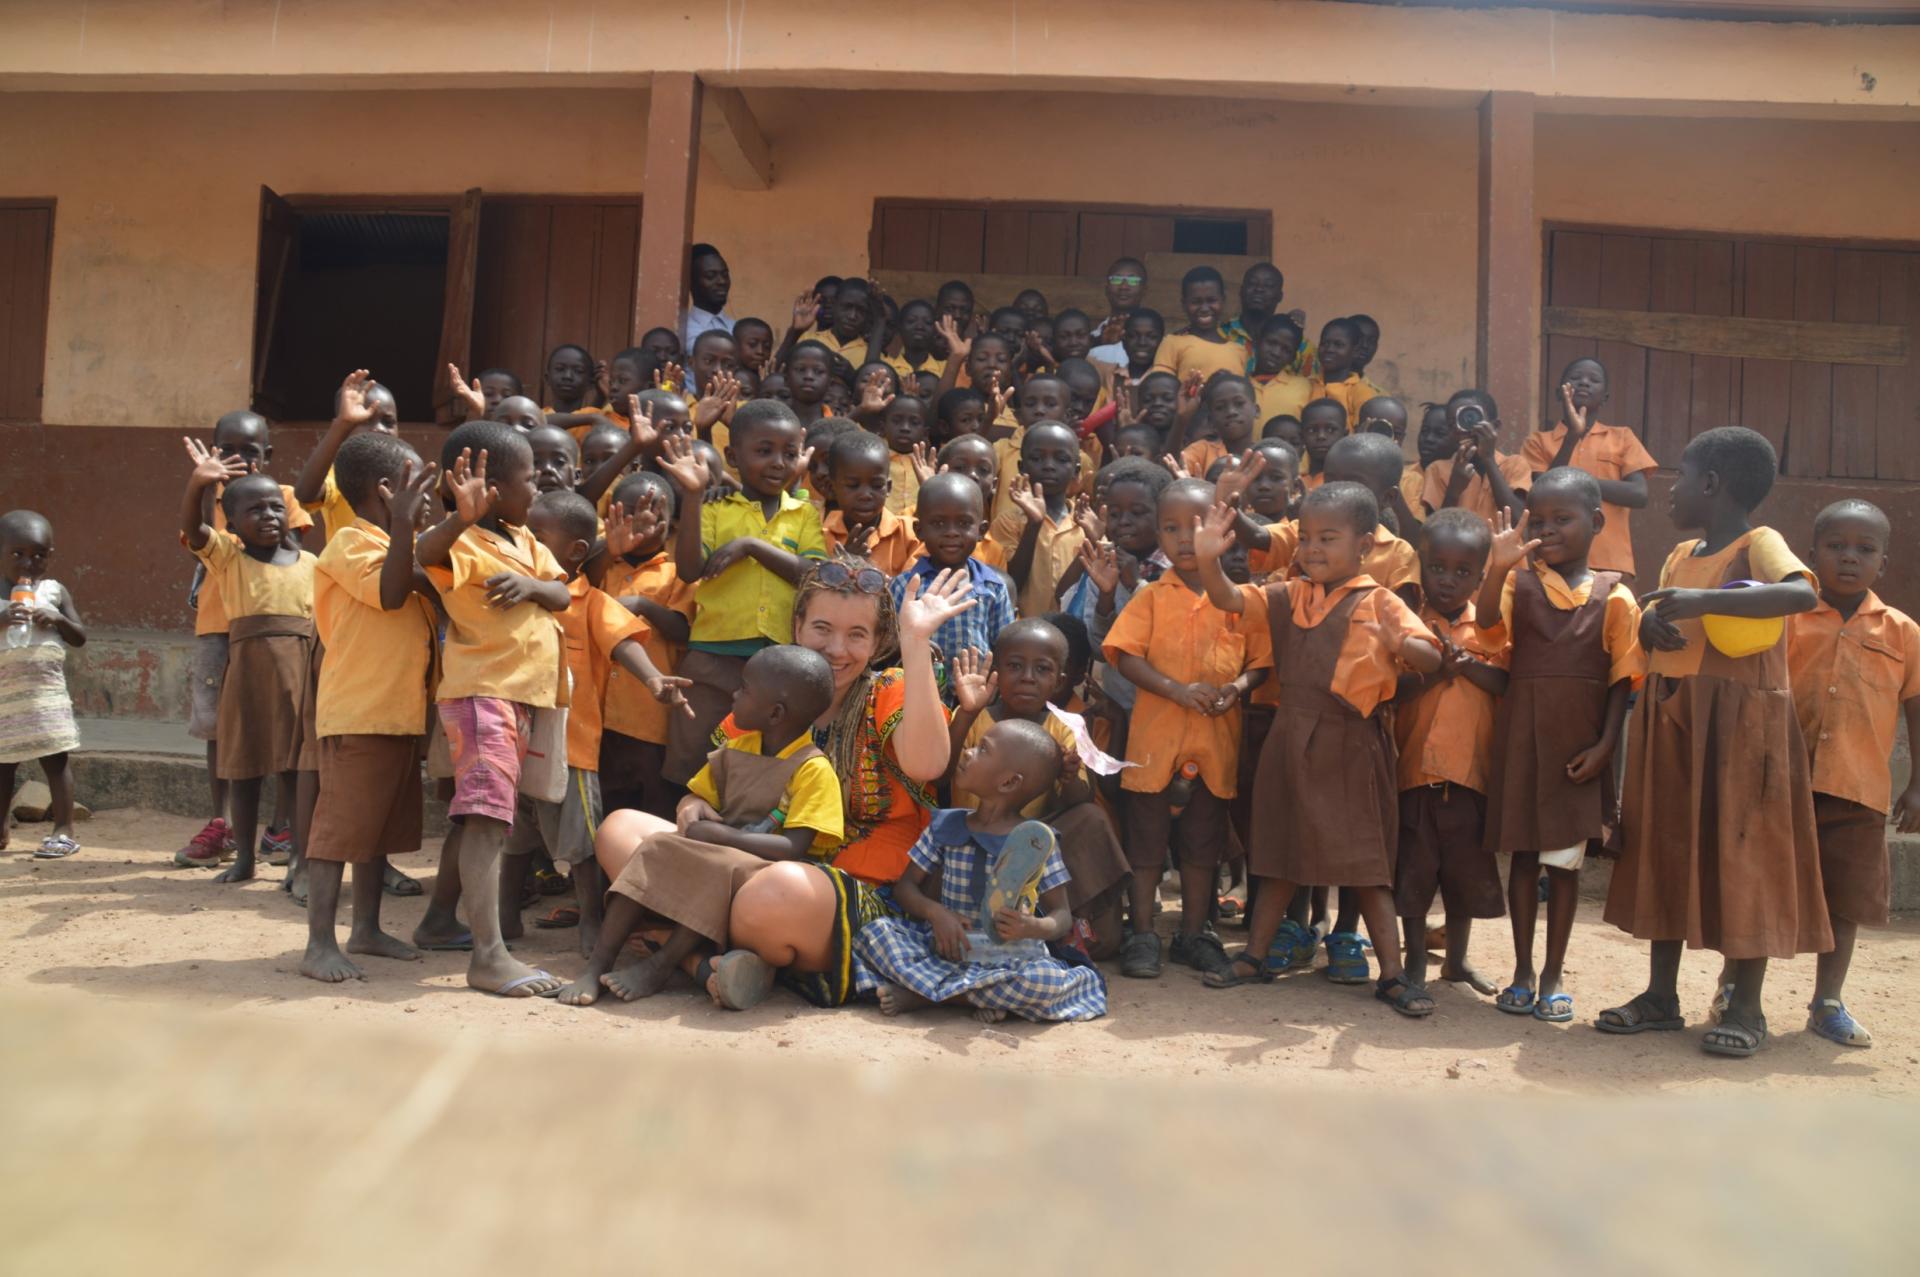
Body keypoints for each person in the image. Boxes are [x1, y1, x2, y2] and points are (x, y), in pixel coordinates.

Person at [593, 561, 971, 1008]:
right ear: (796, 625)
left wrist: (916, 641)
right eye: (822, 628)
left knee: (774, 895)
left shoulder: (888, 688)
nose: (837, 649)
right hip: (744, 863)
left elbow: (927, 764)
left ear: (877, 642)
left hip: (840, 892)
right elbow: (716, 780)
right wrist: (691, 804)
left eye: (857, 635)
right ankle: (716, 959)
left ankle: (684, 951)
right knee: (620, 830)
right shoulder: (772, 693)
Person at [1601, 427, 1824, 1057]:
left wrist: (1701, 600)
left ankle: (1746, 1007)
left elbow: (1802, 592)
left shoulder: (1759, 543)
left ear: (1712, 484)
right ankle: (1660, 996)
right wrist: (1649, 619)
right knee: (1667, 849)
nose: (1668, 491)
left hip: (1740, 726)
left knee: (1744, 855)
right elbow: (1662, 612)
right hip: (1675, 721)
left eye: (1680, 477)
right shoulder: (1678, 554)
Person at [1193, 483, 1442, 1015]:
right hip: (1291, 735)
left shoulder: (1381, 600)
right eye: (1304, 537)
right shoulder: (1290, 594)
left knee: (1367, 864)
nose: (1311, 549)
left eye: (1328, 537)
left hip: (1352, 742)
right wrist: (1210, 561)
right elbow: (1229, 598)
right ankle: (1255, 957)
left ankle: (1393, 976)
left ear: (1367, 543)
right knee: (1279, 855)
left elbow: (1430, 657)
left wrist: (1403, 645)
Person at [560, 644, 842, 1008]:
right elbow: (697, 797)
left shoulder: (813, 769)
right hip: (722, 852)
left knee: (715, 867)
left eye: (744, 689)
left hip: (765, 873)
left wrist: (724, 836)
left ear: (776, 713)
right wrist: (692, 808)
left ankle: (661, 965)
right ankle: (599, 962)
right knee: (656, 848)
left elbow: (795, 848)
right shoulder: (736, 749)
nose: (735, 695)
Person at [1476, 470, 1643, 1022]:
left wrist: (1605, 748)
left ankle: (1553, 977)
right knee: (1523, 858)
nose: (1547, 531)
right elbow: (1484, 628)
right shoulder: (1516, 583)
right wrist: (1497, 564)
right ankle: (1522, 971)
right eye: (1538, 520)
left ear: (1597, 523)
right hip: (1523, 738)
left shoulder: (1615, 596)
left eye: (1562, 519)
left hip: (1580, 748)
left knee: (1564, 865)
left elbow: (1624, 681)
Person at [416, 421, 573, 998]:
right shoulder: (457, 540)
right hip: (484, 695)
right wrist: (459, 514)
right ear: (490, 486)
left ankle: (439, 919)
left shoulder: (524, 539)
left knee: (480, 816)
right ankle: (488, 956)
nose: (540, 487)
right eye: (529, 478)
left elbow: (562, 592)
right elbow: (422, 552)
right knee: (487, 821)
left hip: (520, 697)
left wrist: (531, 587)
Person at [499, 491, 691, 956]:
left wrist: (652, 680)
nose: (526, 544)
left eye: (538, 537)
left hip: (573, 750)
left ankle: (591, 922)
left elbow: (624, 642)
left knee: (582, 846)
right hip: (513, 743)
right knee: (513, 839)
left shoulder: (592, 602)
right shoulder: (513, 593)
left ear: (575, 553)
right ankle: (504, 921)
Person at [1105, 477, 1271, 979]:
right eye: (1171, 528)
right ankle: (1142, 935)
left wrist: (1237, 688)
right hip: (1155, 740)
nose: (1184, 539)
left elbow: (1261, 663)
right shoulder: (1151, 597)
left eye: (1197, 527)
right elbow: (1123, 656)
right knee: (1146, 842)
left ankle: (1195, 933)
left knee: (1203, 845)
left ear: (1225, 532)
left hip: (1216, 742)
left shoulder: (1243, 600)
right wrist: (1176, 690)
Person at [1779, 500, 1920, 1047]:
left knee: (1847, 900)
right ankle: (1737, 992)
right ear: (1812, 554)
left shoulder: (1903, 631)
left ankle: (1828, 1000)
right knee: (1765, 890)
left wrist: (1917, 785)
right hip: (1783, 783)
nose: (1849, 558)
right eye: (1836, 546)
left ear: (1883, 563)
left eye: (1865, 550)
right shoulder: (1787, 617)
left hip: (1859, 788)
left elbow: (1915, 708)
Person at [300, 432, 438, 982]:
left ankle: (367, 930)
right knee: (340, 831)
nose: (428, 497)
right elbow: (389, 593)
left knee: (376, 831)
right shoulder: (350, 544)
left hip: (399, 712)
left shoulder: (398, 545)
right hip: (359, 711)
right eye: (418, 484)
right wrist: (406, 526)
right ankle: (317, 944)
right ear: (388, 490)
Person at [857, 723, 1107, 1023]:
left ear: (1008, 782)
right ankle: (984, 997)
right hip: (948, 949)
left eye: (983, 749)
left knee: (1042, 980)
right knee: (875, 934)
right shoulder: (945, 825)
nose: (968, 752)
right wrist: (937, 914)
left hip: (1011, 957)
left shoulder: (1037, 842)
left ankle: (929, 996)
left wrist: (1033, 927)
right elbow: (906, 888)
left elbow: (1062, 915)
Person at [662, 400, 828, 786]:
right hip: (712, 658)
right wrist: (692, 497)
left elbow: (813, 575)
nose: (778, 463)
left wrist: (751, 546)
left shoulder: (803, 515)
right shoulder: (716, 507)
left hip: (777, 667)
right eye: (763, 450)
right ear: (733, 456)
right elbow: (689, 569)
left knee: (756, 773)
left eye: (789, 454)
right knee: (690, 763)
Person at [175, 410, 313, 870]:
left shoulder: (304, 550)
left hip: (296, 658)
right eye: (228, 449)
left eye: (275, 508)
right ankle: (232, 839)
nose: (269, 515)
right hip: (236, 651)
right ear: (231, 523)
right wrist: (200, 483)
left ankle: (288, 841)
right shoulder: (225, 545)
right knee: (235, 748)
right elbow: (195, 532)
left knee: (292, 756)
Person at [946, 624, 1131, 956]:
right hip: (973, 835)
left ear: (1058, 681)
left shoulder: (1064, 726)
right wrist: (967, 713)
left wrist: (1069, 776)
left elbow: (1079, 801)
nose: (1027, 677)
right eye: (1015, 666)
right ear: (996, 671)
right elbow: (941, 774)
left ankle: (1073, 920)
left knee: (1090, 818)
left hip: (1032, 847)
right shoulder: (975, 716)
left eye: (1041, 669)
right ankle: (1055, 931)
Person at [1389, 508, 1508, 994]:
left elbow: (1506, 682)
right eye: (1437, 568)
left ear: (1481, 576)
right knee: (1414, 877)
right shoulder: (1409, 621)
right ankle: (1415, 961)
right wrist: (1436, 670)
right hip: (1413, 773)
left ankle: (1456, 961)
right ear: (1421, 564)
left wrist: (1464, 665)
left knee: (1463, 878)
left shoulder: (1491, 628)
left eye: (1463, 572)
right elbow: (1392, 691)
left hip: (1469, 775)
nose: (1448, 581)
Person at [594, 472, 697, 820]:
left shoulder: (675, 573)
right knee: (602, 808)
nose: (647, 529)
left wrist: (644, 606)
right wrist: (609, 549)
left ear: (672, 525)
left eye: (658, 520)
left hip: (649, 718)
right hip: (597, 716)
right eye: (635, 519)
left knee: (651, 808)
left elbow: (682, 630)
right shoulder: (601, 565)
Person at [1523, 359, 1658, 582]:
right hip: (1554, 562)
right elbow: (1540, 493)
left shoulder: (1622, 437)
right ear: (1559, 393)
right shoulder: (1537, 442)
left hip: (1611, 563)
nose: (1584, 383)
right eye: (1576, 378)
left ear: (1605, 396)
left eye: (1594, 380)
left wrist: (1580, 483)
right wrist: (1572, 437)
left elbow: (1638, 495)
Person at [0, 510, 86, 859]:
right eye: (17, 554)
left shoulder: (53, 591)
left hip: (45, 696)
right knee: (3, 763)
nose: (29, 562)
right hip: (5, 697)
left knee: (56, 760)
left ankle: (63, 830)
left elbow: (79, 637)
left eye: (39, 555)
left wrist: (58, 618)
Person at [891, 473, 1015, 688]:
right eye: (938, 523)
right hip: (914, 694)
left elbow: (1005, 649)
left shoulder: (992, 587)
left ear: (981, 531)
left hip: (974, 698)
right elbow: (887, 646)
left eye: (964, 523)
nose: (951, 533)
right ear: (919, 531)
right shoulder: (905, 586)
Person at [993, 422, 1088, 618]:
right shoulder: (1008, 523)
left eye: (1061, 459)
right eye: (1037, 458)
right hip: (1023, 633)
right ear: (1021, 467)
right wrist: (1033, 525)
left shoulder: (1087, 524)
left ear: (1076, 471)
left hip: (1074, 635)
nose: (1049, 466)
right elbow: (1009, 585)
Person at [294, 369, 400, 540]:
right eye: (365, 421)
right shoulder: (344, 473)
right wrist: (342, 426)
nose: (379, 429)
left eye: (388, 422)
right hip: (352, 566)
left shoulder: (407, 471)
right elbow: (306, 494)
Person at [1421, 389, 1529, 526]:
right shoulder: (1437, 470)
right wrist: (1454, 490)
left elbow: (1518, 521)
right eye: (1453, 424)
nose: (1461, 429)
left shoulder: (1515, 465)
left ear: (1495, 427)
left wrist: (1488, 459)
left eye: (1470, 419)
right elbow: (1434, 533)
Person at [822, 430, 923, 575]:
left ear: (888, 488)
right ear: (832, 488)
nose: (865, 495)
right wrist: (844, 564)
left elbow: (911, 588)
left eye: (876, 486)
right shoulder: (823, 533)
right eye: (853, 485)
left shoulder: (910, 533)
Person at [1152, 267, 1249, 386]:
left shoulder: (1238, 350)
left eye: (1211, 300)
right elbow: (1160, 389)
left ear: (1223, 301)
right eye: (1196, 302)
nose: (1204, 308)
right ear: (1184, 304)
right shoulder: (1171, 343)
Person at [1308, 319, 1383, 427]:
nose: (1329, 349)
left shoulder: (1362, 393)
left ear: (1356, 351)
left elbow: (1362, 436)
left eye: (1338, 345)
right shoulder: (1307, 384)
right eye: (1324, 343)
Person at [875, 393, 933, 518]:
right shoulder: (873, 461)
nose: (905, 428)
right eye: (896, 421)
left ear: (925, 432)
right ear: (882, 427)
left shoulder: (930, 465)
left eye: (914, 422)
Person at [1250, 314, 1312, 424]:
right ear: (1257, 342)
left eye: (1286, 349)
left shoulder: (1304, 387)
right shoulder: (1240, 384)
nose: (1276, 353)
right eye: (1271, 343)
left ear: (1292, 358)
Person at [1088, 258, 1150, 366]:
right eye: (1116, 279)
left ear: (1144, 290)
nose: (1124, 286)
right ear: (1106, 289)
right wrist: (1100, 343)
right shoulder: (1093, 337)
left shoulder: (1153, 340)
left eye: (1133, 280)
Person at [682, 242, 734, 351]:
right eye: (710, 276)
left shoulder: (736, 327)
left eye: (725, 274)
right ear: (690, 282)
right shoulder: (682, 331)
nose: (722, 281)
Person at [885, 299, 947, 380]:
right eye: (911, 321)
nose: (919, 327)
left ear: (936, 330)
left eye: (927, 322)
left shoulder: (946, 369)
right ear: (899, 327)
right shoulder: (886, 367)